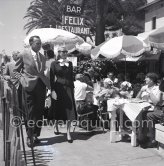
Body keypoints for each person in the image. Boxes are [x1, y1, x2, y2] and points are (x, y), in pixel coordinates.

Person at [13, 36, 50, 147]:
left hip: (41, 86)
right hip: (28, 86)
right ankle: (29, 136)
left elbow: (42, 72)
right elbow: (15, 71)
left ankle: (35, 135)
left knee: (39, 112)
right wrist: (22, 80)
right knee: (30, 112)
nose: (39, 45)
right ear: (31, 43)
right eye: (37, 43)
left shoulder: (43, 57)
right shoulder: (23, 55)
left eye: (40, 43)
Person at [50, 46, 76, 143]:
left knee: (69, 110)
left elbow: (71, 76)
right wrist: (52, 91)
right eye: (63, 51)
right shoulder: (54, 63)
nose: (65, 53)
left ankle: (68, 133)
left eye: (66, 51)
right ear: (58, 52)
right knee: (58, 109)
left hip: (69, 88)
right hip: (58, 88)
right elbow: (51, 78)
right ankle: (56, 125)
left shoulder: (70, 63)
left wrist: (72, 88)